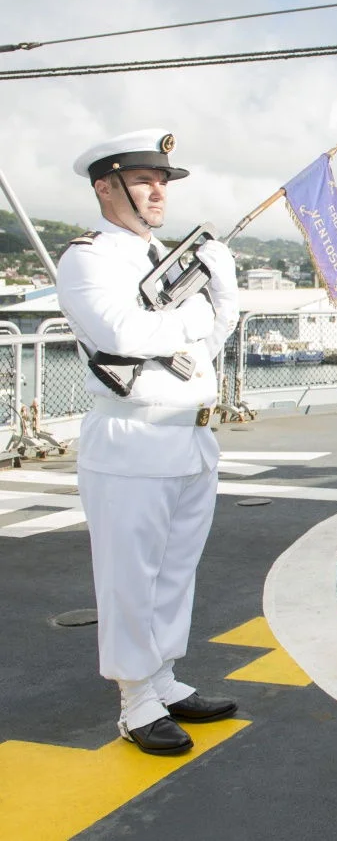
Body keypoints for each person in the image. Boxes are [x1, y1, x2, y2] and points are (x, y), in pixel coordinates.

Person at [57, 129, 238, 755]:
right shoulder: (89, 257)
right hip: (131, 440)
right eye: (142, 180)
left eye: (162, 180)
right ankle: (135, 700)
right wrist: (191, 317)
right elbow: (121, 332)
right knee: (130, 578)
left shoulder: (166, 258)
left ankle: (162, 678)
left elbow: (204, 351)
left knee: (174, 574)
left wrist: (224, 294)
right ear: (106, 187)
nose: (157, 190)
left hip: (189, 437)